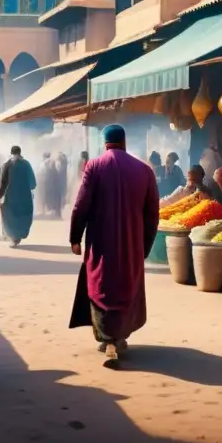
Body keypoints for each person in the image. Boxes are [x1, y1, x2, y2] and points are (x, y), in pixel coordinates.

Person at [69, 124, 159, 365]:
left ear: (105, 143)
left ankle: (109, 341)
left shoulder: (95, 166)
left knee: (102, 286)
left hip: (101, 242)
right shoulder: (145, 171)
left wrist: (75, 237)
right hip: (131, 244)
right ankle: (117, 339)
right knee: (125, 287)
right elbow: (152, 215)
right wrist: (144, 246)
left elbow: (81, 206)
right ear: (124, 142)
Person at [0, 146, 37, 246]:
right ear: (20, 152)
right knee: (23, 216)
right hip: (24, 196)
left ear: (11, 153)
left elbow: (1, 183)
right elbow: (33, 183)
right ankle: (18, 236)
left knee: (10, 216)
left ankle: (12, 237)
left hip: (10, 197)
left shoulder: (6, 165)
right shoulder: (26, 164)